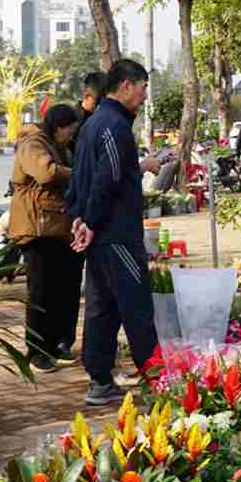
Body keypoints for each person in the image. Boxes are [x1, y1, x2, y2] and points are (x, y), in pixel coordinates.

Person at [67, 59, 162, 406]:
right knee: (136, 306)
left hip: (100, 233)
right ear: (124, 85)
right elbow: (106, 179)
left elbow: (82, 178)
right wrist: (89, 221)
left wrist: (80, 218)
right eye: (142, 89)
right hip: (116, 234)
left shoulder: (94, 123)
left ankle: (100, 380)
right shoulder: (113, 125)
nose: (144, 96)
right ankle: (156, 380)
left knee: (101, 308)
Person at [10, 104, 83, 369]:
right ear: (59, 127)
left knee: (63, 290)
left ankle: (57, 343)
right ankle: (37, 350)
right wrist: (78, 174)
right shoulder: (33, 144)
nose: (71, 137)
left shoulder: (59, 145)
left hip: (58, 227)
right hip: (37, 229)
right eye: (70, 132)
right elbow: (46, 172)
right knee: (41, 292)